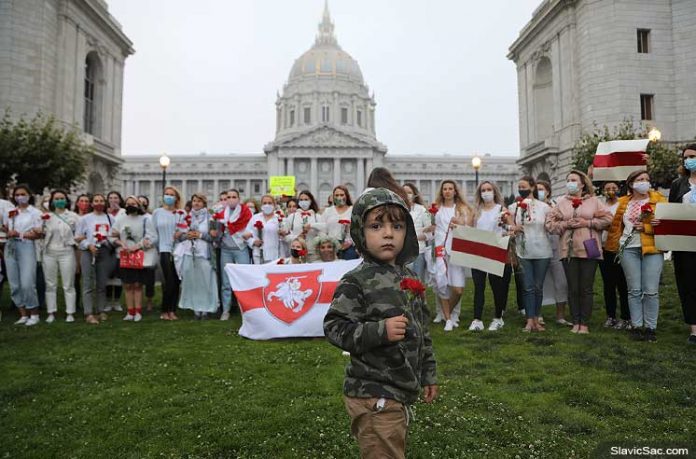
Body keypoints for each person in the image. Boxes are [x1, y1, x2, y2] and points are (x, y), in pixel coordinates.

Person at [324, 188, 437, 459]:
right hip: (372, 391)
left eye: (397, 226)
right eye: (376, 226)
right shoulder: (356, 281)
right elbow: (335, 328)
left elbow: (422, 331)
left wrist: (428, 373)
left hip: (400, 386)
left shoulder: (408, 276)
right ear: (361, 233)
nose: (388, 233)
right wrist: (380, 331)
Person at [546, 170, 612, 334]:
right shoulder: (561, 203)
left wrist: (587, 222)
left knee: (586, 288)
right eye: (568, 180)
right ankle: (575, 321)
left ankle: (584, 322)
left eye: (574, 180)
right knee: (573, 288)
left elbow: (608, 219)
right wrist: (565, 225)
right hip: (568, 250)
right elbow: (549, 224)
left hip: (589, 248)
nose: (570, 183)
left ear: (582, 184)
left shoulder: (594, 202)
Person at [605, 170, 666, 342]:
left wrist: (648, 227)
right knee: (633, 290)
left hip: (652, 249)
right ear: (631, 184)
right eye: (640, 179)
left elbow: (667, 227)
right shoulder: (623, 202)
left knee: (651, 290)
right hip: (628, 249)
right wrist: (614, 246)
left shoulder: (659, 199)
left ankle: (651, 328)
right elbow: (616, 226)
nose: (644, 182)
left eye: (647, 179)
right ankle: (637, 326)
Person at [507, 176, 552, 332]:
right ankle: (529, 320)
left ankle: (537, 318)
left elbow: (550, 226)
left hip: (542, 251)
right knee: (527, 287)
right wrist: (513, 229)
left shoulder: (544, 207)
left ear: (532, 187)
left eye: (524, 186)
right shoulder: (513, 207)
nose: (521, 189)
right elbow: (508, 228)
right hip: (523, 251)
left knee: (538, 287)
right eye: (519, 186)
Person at [470, 181, 510, 331]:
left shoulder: (501, 209)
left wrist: (508, 231)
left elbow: (510, 227)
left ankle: (498, 317)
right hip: (479, 251)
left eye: (489, 189)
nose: (486, 192)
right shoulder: (476, 211)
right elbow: (469, 228)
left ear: (495, 192)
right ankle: (477, 319)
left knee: (496, 286)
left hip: (495, 250)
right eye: (483, 190)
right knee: (478, 286)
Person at [434, 180, 472, 331]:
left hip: (457, 249)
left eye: (450, 189)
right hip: (441, 250)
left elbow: (469, 226)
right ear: (442, 192)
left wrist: (460, 223)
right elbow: (434, 228)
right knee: (442, 284)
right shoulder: (436, 209)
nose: (448, 191)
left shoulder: (461, 208)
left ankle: (447, 312)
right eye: (445, 189)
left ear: (455, 191)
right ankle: (449, 319)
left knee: (458, 289)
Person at [1, 185, 42, 325]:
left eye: (23, 194)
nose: (20, 197)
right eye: (17, 194)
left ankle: (34, 313)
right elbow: (6, 227)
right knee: (14, 283)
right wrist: (7, 231)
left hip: (26, 246)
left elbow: (38, 234)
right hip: (11, 246)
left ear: (29, 195)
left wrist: (20, 234)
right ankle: (23, 313)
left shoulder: (35, 213)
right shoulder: (10, 212)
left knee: (27, 282)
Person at [112, 196, 157, 322]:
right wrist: (121, 244)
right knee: (127, 285)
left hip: (139, 254)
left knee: (137, 285)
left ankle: (138, 311)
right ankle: (129, 311)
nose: (131, 205)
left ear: (139, 205)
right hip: (125, 254)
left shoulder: (145, 219)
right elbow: (112, 235)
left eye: (134, 203)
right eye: (128, 203)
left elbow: (152, 236)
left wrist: (138, 246)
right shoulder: (120, 219)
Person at [75, 193, 118, 324]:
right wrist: (88, 245)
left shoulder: (110, 218)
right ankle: (88, 312)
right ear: (92, 203)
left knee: (101, 282)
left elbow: (114, 235)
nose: (99, 203)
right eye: (96, 201)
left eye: (101, 201)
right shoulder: (85, 219)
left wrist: (109, 241)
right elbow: (78, 237)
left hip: (104, 252)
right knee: (88, 282)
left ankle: (101, 310)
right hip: (88, 252)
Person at [175, 193, 218, 320]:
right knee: (192, 282)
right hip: (189, 253)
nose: (196, 203)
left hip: (204, 253)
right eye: (194, 201)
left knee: (205, 282)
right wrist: (186, 236)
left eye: (199, 201)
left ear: (204, 204)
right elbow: (178, 236)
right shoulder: (186, 217)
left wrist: (200, 235)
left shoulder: (211, 218)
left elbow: (214, 237)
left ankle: (205, 309)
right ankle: (195, 309)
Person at [211, 188, 252, 320]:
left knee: (244, 280)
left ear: (239, 199)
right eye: (228, 197)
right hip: (225, 249)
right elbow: (215, 228)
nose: (231, 199)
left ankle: (246, 309)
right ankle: (226, 310)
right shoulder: (221, 213)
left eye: (234, 197)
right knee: (226, 282)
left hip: (241, 248)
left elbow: (249, 228)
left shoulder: (245, 211)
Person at [670, 144, 696, 344]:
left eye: (693, 156)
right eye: (686, 157)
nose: (688, 160)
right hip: (684, 245)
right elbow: (671, 213)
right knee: (688, 285)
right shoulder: (678, 184)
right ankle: (694, 329)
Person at [41, 190, 79, 323]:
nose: (59, 201)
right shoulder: (46, 216)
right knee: (50, 284)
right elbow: (41, 233)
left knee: (68, 284)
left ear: (66, 200)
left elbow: (79, 234)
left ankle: (70, 312)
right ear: (52, 201)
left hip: (67, 252)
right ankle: (51, 312)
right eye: (56, 198)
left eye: (62, 198)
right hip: (49, 252)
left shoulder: (73, 216)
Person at [536, 180, 571, 325]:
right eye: (536, 189)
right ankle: (537, 314)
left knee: (561, 282)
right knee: (539, 283)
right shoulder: (532, 207)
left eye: (541, 189)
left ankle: (560, 316)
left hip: (557, 247)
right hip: (539, 249)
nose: (539, 191)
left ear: (548, 191)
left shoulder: (556, 205)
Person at [598, 181, 630, 329]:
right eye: (607, 188)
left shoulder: (623, 204)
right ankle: (611, 316)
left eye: (613, 188)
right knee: (608, 284)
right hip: (604, 248)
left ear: (618, 189)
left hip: (621, 248)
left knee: (623, 284)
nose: (611, 191)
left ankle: (626, 317)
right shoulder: (600, 205)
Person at [152, 186, 184, 321]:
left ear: (176, 198)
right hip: (163, 249)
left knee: (176, 281)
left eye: (171, 194)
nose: (168, 197)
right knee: (168, 280)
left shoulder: (180, 213)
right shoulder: (157, 212)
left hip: (178, 250)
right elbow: (153, 231)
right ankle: (165, 310)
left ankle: (172, 310)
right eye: (166, 194)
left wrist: (180, 233)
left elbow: (184, 230)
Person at [315, 186, 358, 260]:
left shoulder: (353, 211)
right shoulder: (328, 211)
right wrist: (328, 242)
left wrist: (350, 242)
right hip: (331, 248)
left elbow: (357, 229)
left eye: (342, 195)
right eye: (337, 195)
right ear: (333, 197)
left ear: (346, 196)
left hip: (348, 248)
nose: (339, 197)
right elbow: (322, 229)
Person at [403, 183, 433, 284]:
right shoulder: (398, 209)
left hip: (418, 251)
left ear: (414, 194)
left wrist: (419, 237)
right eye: (404, 192)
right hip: (401, 253)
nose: (407, 195)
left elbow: (430, 233)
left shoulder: (422, 210)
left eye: (409, 192)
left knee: (418, 283)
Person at [282, 190, 322, 261]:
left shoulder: (317, 216)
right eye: (301, 200)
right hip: (297, 253)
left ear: (311, 201)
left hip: (313, 254)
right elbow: (284, 236)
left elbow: (323, 230)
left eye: (306, 199)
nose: (304, 201)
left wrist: (312, 225)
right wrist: (296, 237)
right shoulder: (292, 217)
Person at [244, 194, 283, 264]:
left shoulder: (279, 218)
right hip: (258, 254)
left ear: (274, 205)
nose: (267, 205)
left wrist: (283, 233)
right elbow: (246, 235)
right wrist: (253, 242)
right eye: (264, 203)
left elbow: (284, 236)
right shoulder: (255, 218)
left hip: (274, 255)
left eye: (269, 203)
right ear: (261, 205)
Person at [104, 191, 125, 313]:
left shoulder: (123, 212)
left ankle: (116, 301)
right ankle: (107, 301)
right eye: (110, 198)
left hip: (119, 248)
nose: (113, 200)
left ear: (119, 199)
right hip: (106, 247)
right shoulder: (104, 213)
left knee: (118, 276)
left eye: (115, 198)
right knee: (107, 275)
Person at [137, 195, 156, 312]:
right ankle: (137, 302)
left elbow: (154, 234)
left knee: (149, 278)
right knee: (136, 278)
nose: (141, 205)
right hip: (135, 250)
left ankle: (149, 300)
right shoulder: (130, 217)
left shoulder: (150, 217)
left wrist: (149, 242)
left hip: (148, 250)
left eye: (143, 203)